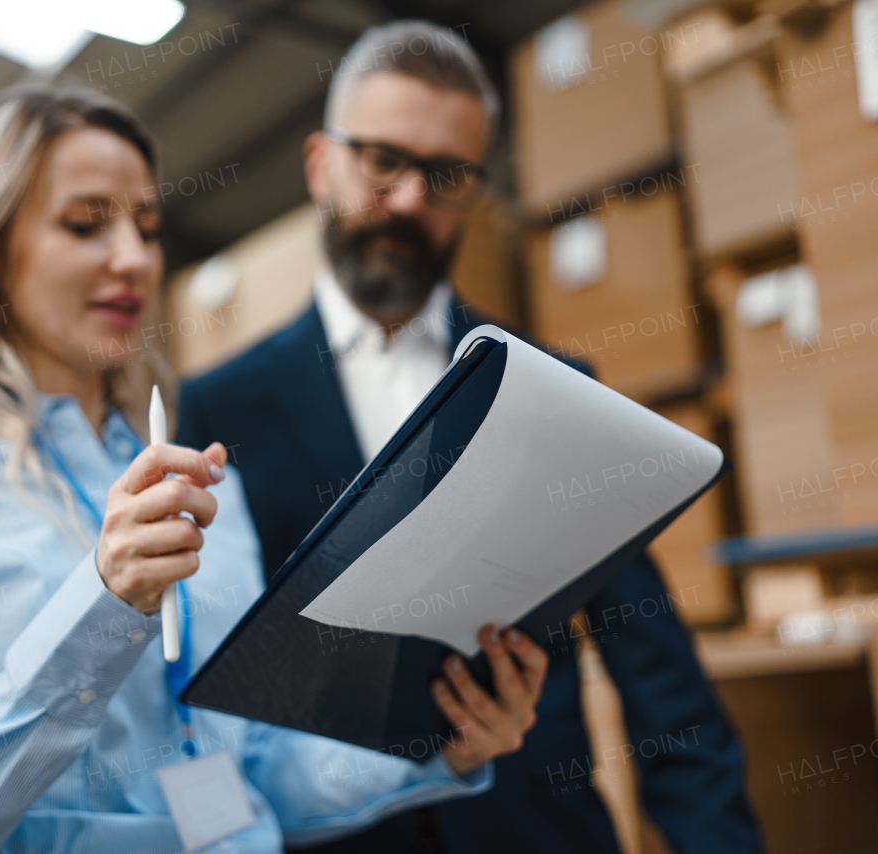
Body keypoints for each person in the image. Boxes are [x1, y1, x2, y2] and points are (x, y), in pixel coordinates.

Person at [0, 84, 550, 854]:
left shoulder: (195, 485)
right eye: (86, 223)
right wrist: (101, 605)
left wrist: (441, 745)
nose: (133, 258)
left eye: (148, 227)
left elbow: (256, 771)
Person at [176, 21, 761, 854]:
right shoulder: (218, 409)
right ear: (320, 165)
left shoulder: (557, 392)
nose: (412, 199)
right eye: (383, 160)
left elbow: (657, 666)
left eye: (446, 174)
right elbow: (221, 688)